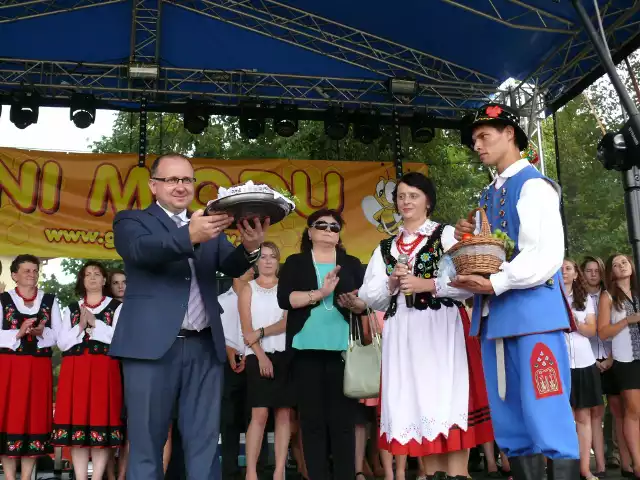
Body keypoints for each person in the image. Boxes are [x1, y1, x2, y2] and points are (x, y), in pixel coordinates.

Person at [110, 153, 268, 480]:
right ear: (154, 186)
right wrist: (190, 235)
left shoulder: (208, 225)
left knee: (204, 442)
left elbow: (233, 266)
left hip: (203, 348)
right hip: (150, 350)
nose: (180, 186)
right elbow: (141, 252)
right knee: (146, 443)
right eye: (172, 179)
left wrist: (251, 248)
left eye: (187, 179)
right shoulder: (131, 221)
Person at [452, 103, 579, 480]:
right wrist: (468, 240)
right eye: (474, 139)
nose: (477, 145)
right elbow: (487, 257)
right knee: (510, 424)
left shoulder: (535, 185)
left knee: (548, 413)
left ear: (510, 133)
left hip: (533, 315)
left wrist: (495, 282)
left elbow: (545, 254)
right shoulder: (488, 194)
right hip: (495, 320)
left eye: (483, 135)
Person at [356, 172, 493, 479]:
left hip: (441, 328)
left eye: (413, 195)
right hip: (404, 332)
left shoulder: (445, 236)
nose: (406, 201)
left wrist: (427, 283)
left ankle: (458, 473)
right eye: (401, 196)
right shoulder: (385, 248)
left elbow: (471, 283)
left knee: (447, 398)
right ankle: (431, 474)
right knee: (417, 402)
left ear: (428, 201)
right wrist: (391, 282)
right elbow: (369, 297)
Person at [277, 209, 365, 480]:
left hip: (342, 351)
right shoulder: (295, 262)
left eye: (334, 227)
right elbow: (285, 300)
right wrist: (321, 293)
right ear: (310, 231)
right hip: (306, 352)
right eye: (322, 225)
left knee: (343, 424)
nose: (328, 230)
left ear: (339, 235)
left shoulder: (351, 263)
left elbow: (365, 304)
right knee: (311, 423)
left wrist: (355, 304)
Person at [52, 261, 124, 480]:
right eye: (88, 274)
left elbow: (120, 339)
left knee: (100, 424)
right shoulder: (72, 308)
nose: (92, 277)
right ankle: (81, 477)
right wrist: (81, 326)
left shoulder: (117, 307)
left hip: (104, 369)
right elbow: (63, 343)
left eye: (97, 274)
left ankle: (97, 477)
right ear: (82, 281)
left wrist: (96, 324)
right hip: (75, 371)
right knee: (77, 427)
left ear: (104, 280)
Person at [0, 254, 62, 480]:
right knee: (9, 417)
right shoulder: (3, 299)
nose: (32, 274)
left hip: (38, 367)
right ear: (14, 275)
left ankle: (26, 476)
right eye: (27, 271)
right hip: (9, 367)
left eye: (35, 270)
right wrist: (18, 333)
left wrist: (40, 333)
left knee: (33, 418)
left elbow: (58, 336)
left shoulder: (49, 300)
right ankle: (9, 477)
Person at [240, 242, 292, 480]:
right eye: (263, 257)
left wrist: (261, 332)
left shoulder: (286, 288)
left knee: (283, 414)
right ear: (256, 262)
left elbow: (286, 323)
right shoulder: (247, 289)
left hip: (284, 353)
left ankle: (279, 471)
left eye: (273, 256)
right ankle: (251, 472)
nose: (268, 261)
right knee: (259, 414)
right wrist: (261, 355)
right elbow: (246, 330)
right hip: (256, 355)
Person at [219, 267, 269, 480]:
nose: (251, 270)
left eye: (252, 268)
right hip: (230, 363)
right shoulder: (220, 300)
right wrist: (229, 351)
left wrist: (255, 352)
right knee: (228, 419)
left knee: (258, 415)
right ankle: (229, 471)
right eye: (245, 268)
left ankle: (258, 469)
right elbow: (215, 334)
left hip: (258, 360)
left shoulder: (262, 296)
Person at [582, 256, 627, 472]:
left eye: (596, 270)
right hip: (587, 359)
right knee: (592, 408)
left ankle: (614, 452)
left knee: (616, 407)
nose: (593, 274)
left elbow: (618, 329)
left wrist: (610, 358)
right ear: (582, 273)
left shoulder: (610, 296)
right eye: (588, 270)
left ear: (602, 273)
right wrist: (592, 360)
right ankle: (592, 456)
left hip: (611, 356)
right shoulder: (577, 297)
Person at [598, 254, 640, 478]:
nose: (621, 266)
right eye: (615, 265)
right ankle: (637, 464)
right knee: (633, 412)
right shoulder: (608, 296)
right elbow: (603, 332)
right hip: (626, 359)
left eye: (624, 262)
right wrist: (627, 320)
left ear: (632, 266)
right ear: (611, 273)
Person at [562, 259, 603, 480]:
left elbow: (591, 330)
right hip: (560, 364)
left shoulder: (584, 298)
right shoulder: (550, 298)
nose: (564, 272)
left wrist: (573, 322)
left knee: (583, 417)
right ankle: (565, 468)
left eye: (568, 268)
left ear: (577, 274)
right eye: (560, 269)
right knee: (563, 417)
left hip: (584, 362)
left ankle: (585, 469)